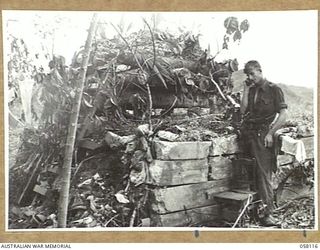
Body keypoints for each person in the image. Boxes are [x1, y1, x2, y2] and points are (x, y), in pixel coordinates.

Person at [240, 60, 287, 226]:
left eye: (252, 74)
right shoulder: (251, 90)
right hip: (249, 134)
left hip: (263, 135)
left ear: (260, 71)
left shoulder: (274, 89)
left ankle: (268, 214)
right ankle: (252, 212)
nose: (250, 77)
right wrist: (245, 90)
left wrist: (270, 133)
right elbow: (243, 110)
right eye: (248, 75)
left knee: (263, 174)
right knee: (245, 172)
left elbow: (283, 115)